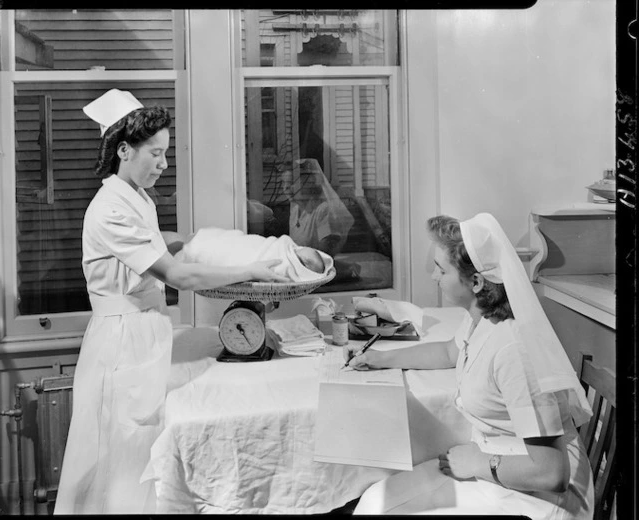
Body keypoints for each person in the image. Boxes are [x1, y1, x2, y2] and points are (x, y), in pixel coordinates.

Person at [54, 89, 289, 515]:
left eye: (167, 153)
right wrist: (248, 271)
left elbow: (158, 245)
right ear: (124, 150)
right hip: (122, 343)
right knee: (124, 466)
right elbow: (176, 275)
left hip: (144, 330)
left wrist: (204, 244)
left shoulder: (136, 196)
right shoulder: (110, 209)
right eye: (156, 154)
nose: (164, 164)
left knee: (149, 460)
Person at [344, 213, 594, 519]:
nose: (434, 276)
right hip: (500, 466)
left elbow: (551, 473)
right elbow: (449, 352)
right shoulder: (482, 318)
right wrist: (379, 359)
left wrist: (479, 462)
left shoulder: (513, 350)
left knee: (380, 509)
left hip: (537, 496)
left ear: (476, 282)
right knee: (375, 500)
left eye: (440, 269)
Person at [179, 227, 334, 282]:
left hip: (238, 256)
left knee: (193, 245)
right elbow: (275, 245)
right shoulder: (285, 247)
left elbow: (280, 271)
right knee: (190, 241)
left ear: (305, 264)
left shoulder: (287, 266)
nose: (297, 249)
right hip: (246, 244)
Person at [280, 158, 354, 258]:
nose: (285, 188)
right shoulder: (294, 211)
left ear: (308, 183)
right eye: (283, 183)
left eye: (291, 182)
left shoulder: (323, 210)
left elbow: (324, 255)